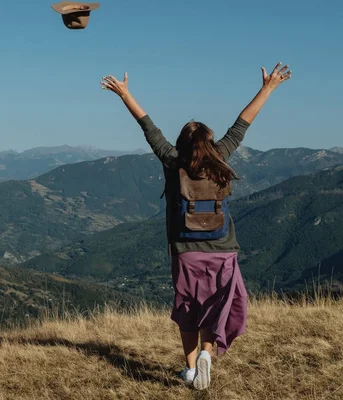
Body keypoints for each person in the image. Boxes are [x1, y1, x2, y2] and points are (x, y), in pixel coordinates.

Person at [100, 62, 292, 390]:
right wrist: (268, 88)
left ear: (183, 143)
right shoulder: (222, 158)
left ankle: (190, 371)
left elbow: (148, 127)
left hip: (185, 251)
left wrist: (124, 94)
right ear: (209, 143)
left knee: (188, 308)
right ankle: (207, 354)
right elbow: (242, 123)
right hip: (222, 250)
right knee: (217, 306)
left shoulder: (173, 162)